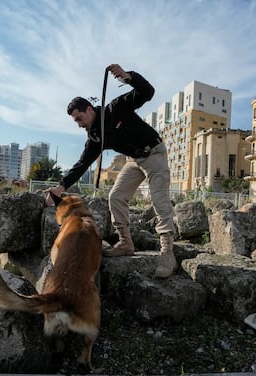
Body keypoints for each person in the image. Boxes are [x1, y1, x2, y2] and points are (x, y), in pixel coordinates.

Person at [44, 64, 177, 278]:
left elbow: (147, 92)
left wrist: (127, 77)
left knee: (159, 200)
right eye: (75, 121)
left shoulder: (116, 108)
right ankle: (125, 242)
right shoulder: (95, 137)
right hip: (135, 160)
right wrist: (61, 187)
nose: (78, 125)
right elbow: (82, 163)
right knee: (115, 196)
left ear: (89, 109)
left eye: (79, 119)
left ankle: (167, 253)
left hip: (153, 153)